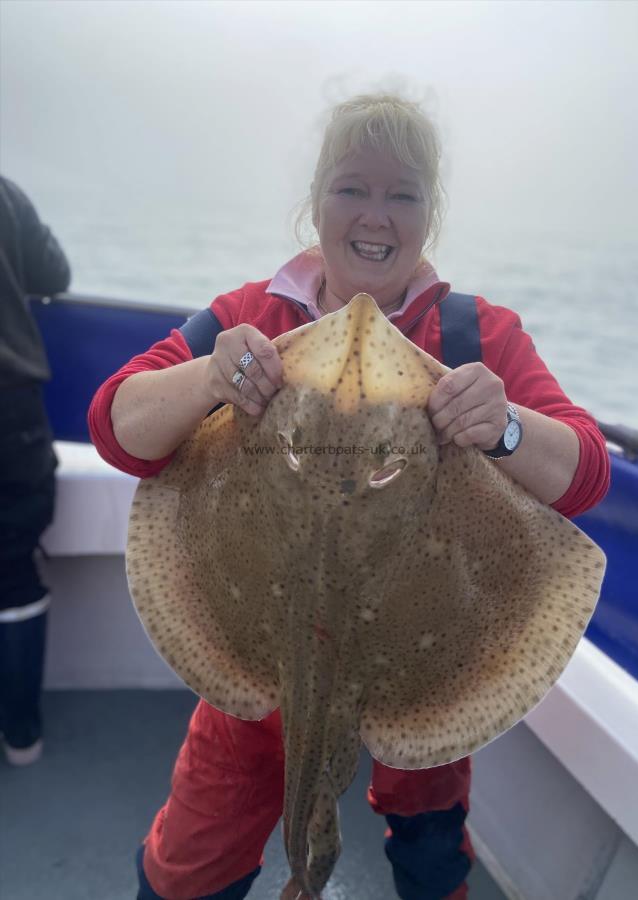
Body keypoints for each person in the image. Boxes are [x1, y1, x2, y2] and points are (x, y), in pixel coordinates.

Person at [88, 94, 610, 900]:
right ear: (315, 202)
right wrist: (208, 379)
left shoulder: (476, 335)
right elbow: (116, 425)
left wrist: (503, 426)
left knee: (430, 856)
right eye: (350, 187)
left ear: (429, 215)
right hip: (257, 653)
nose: (376, 214)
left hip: (417, 655)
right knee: (185, 869)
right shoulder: (248, 317)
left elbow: (584, 475)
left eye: (402, 193)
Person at [0, 176, 71, 766]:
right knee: (14, 571)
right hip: (11, 408)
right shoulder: (6, 194)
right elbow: (55, 275)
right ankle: (22, 736)